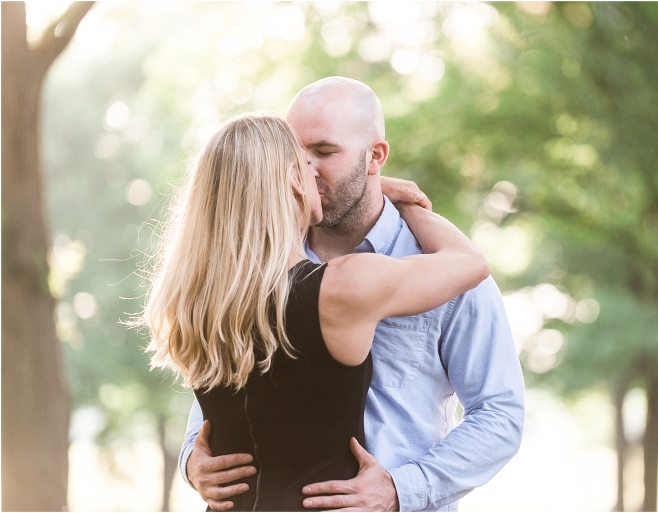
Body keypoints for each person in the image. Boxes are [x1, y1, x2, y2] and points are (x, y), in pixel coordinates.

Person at [180, 77, 526, 512]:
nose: (305, 169)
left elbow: (500, 413)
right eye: (294, 154)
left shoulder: (439, 272)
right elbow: (228, 382)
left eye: (324, 152)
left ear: (375, 157)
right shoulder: (251, 267)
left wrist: (402, 489)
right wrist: (192, 458)